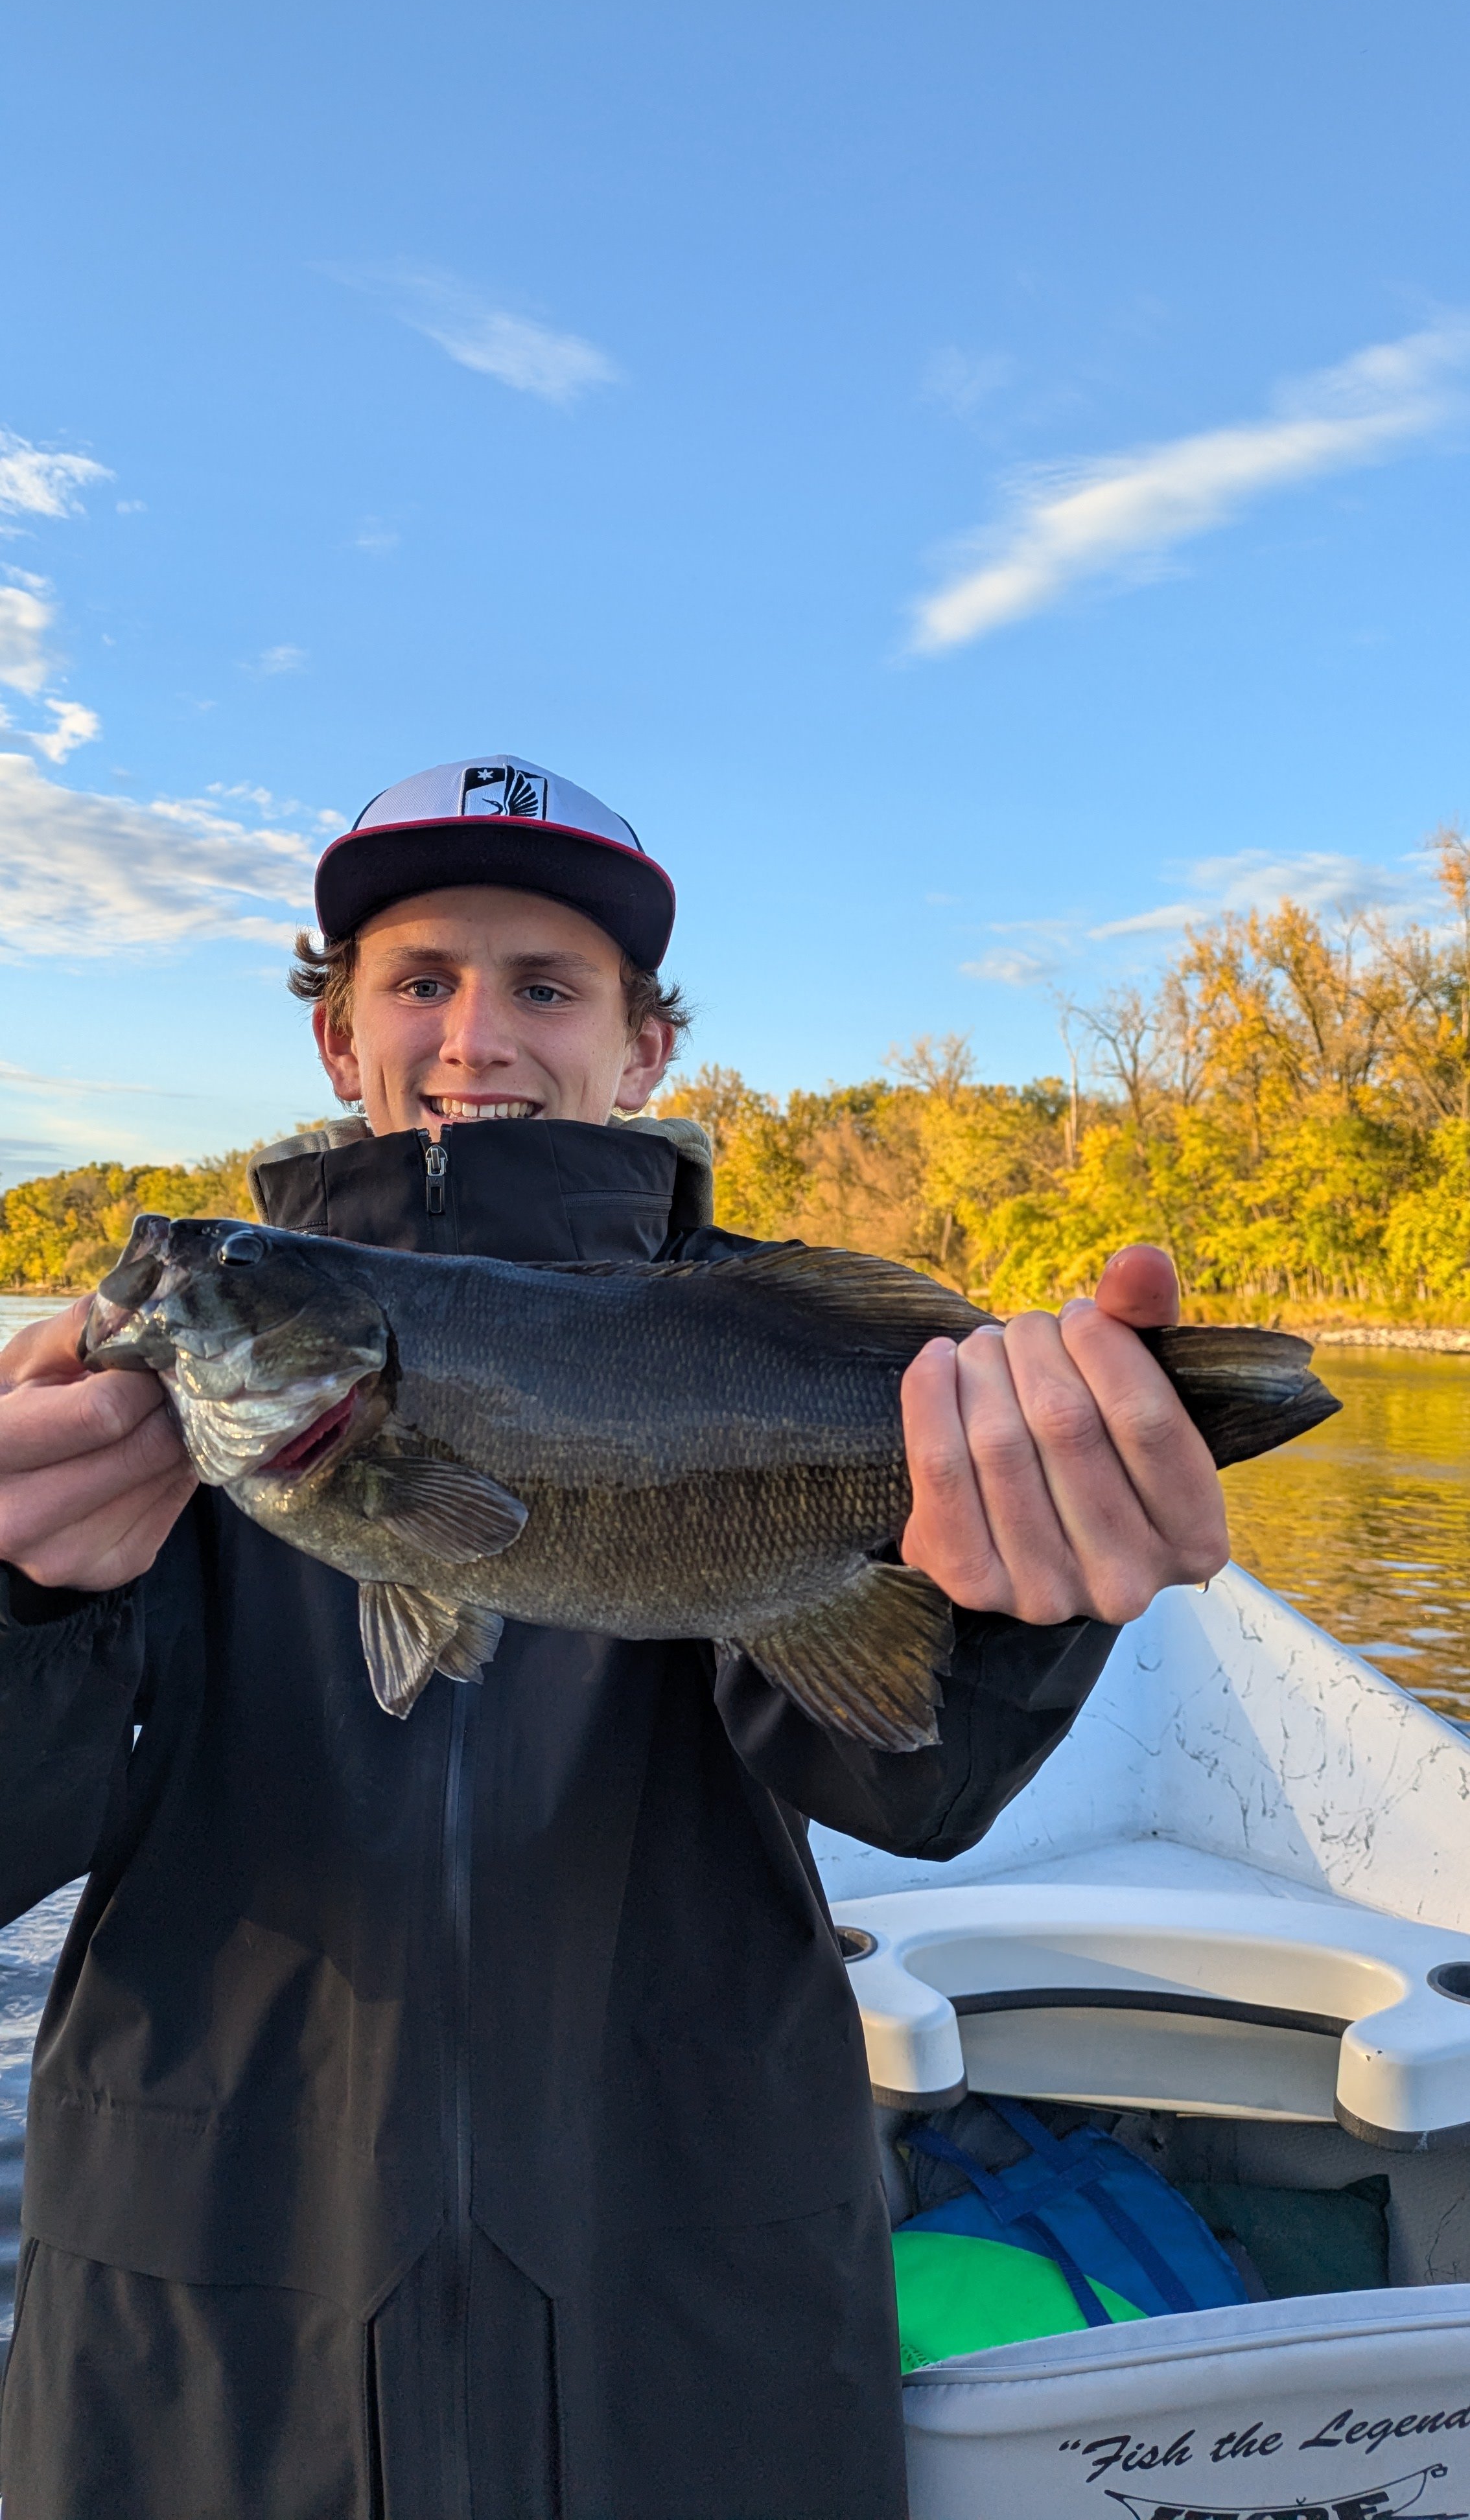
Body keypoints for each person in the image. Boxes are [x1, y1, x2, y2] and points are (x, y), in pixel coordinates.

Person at [0, 755, 1227, 2520]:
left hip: (680, 2281)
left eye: (545, 985)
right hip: (215, 2288)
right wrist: (22, 1603)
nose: (475, 1032)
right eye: (417, 980)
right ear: (337, 1042)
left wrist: (1013, 1593)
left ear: (644, 1048)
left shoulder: (774, 1339)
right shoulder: (137, 1403)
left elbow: (907, 1779)